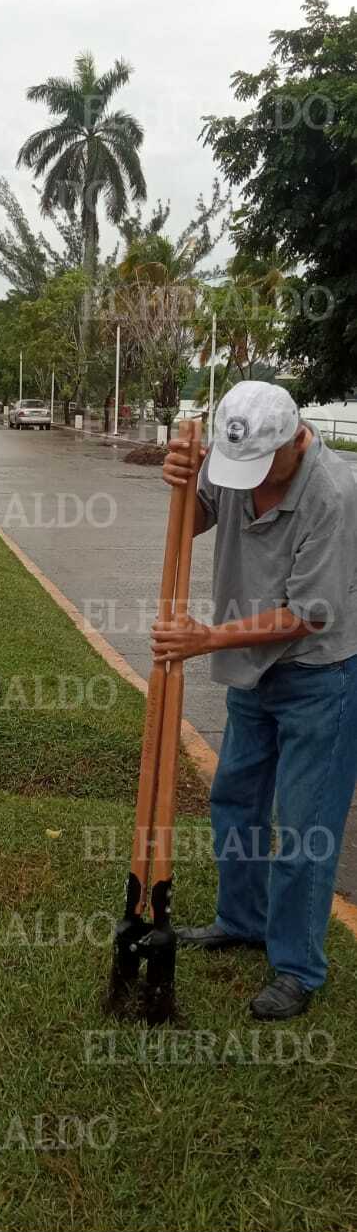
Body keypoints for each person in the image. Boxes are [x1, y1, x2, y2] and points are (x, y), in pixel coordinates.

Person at [155, 381, 357, 1020]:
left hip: (319, 678)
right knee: (235, 801)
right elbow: (195, 522)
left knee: (303, 832)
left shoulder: (335, 494)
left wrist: (207, 637)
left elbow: (311, 614)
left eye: (263, 466)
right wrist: (182, 486)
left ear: (297, 440)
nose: (248, 480)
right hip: (252, 672)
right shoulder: (235, 464)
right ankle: (240, 919)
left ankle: (297, 968)